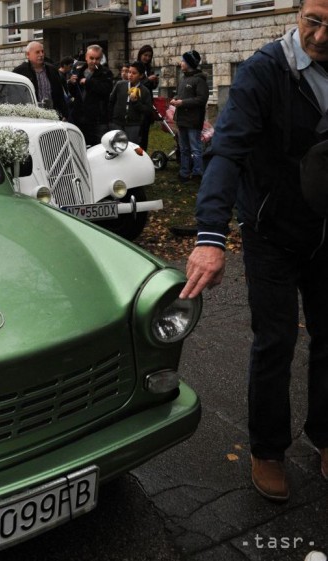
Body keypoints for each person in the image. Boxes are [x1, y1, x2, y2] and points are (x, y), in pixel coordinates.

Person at [179, 0, 328, 503]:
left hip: (326, 233)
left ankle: (326, 436)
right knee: (276, 340)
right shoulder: (265, 72)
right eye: (315, 20)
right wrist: (210, 236)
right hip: (271, 231)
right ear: (299, 12)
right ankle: (268, 449)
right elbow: (228, 151)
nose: (323, 36)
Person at [170, 50, 209, 182]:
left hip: (193, 121)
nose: (181, 63)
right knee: (184, 148)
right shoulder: (184, 78)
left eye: (183, 61)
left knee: (195, 148)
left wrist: (183, 103)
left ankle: (198, 173)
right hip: (182, 120)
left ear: (189, 63)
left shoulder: (199, 80)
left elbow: (201, 99)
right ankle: (184, 172)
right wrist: (175, 98)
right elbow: (181, 95)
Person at [69, 44, 114, 146]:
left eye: (97, 59)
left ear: (101, 58)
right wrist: (71, 83)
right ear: (86, 57)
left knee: (98, 148)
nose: (94, 61)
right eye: (91, 58)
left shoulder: (105, 72)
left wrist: (88, 82)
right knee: (79, 146)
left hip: (97, 119)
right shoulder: (79, 70)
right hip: (79, 117)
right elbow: (74, 93)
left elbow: (106, 89)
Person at [13, 41, 67, 119]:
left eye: (42, 52)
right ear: (28, 55)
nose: (41, 55)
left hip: (53, 115)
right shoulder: (20, 72)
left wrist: (64, 114)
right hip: (31, 117)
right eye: (37, 52)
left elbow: (60, 94)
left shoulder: (52, 70)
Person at [107, 60, 153, 144]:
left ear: (141, 75)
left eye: (134, 73)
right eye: (129, 72)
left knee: (131, 149)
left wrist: (136, 103)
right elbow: (111, 101)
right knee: (116, 147)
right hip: (117, 123)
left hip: (134, 125)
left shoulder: (145, 91)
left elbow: (148, 110)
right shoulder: (120, 85)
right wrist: (110, 120)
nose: (130, 75)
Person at [136, 45, 159, 150]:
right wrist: (148, 80)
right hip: (137, 102)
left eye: (149, 56)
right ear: (140, 54)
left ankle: (143, 154)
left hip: (147, 103)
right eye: (145, 55)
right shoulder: (136, 67)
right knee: (138, 134)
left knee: (145, 133)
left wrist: (155, 82)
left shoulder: (149, 68)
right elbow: (136, 84)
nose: (147, 58)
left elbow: (151, 86)